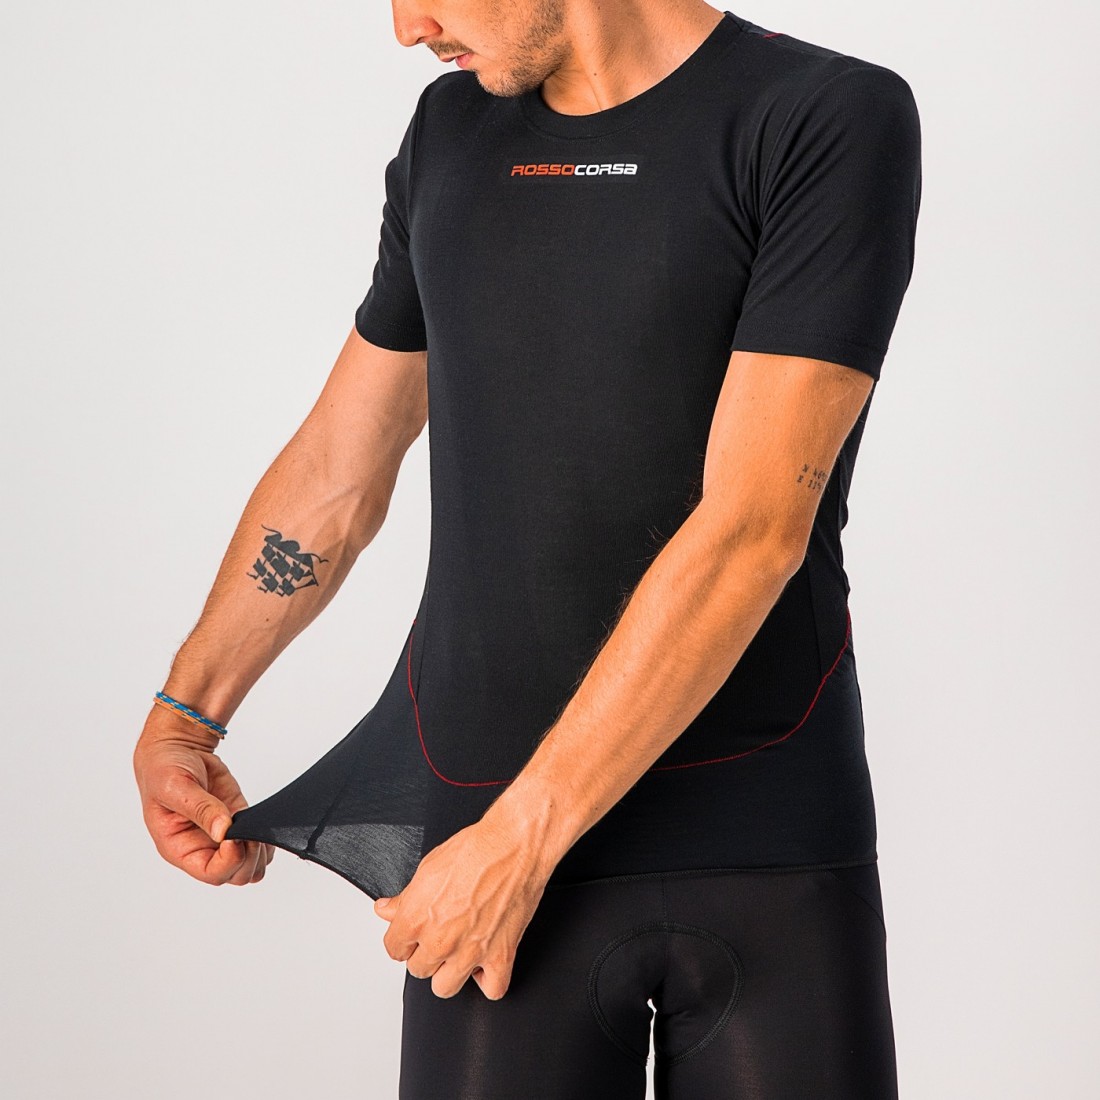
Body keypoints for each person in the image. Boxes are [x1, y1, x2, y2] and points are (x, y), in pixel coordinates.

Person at [133, 1, 921, 1095]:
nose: (407, 26)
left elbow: (752, 527)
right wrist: (187, 712)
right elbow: (341, 467)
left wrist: (525, 838)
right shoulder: (450, 135)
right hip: (481, 856)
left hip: (756, 835)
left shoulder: (818, 115)